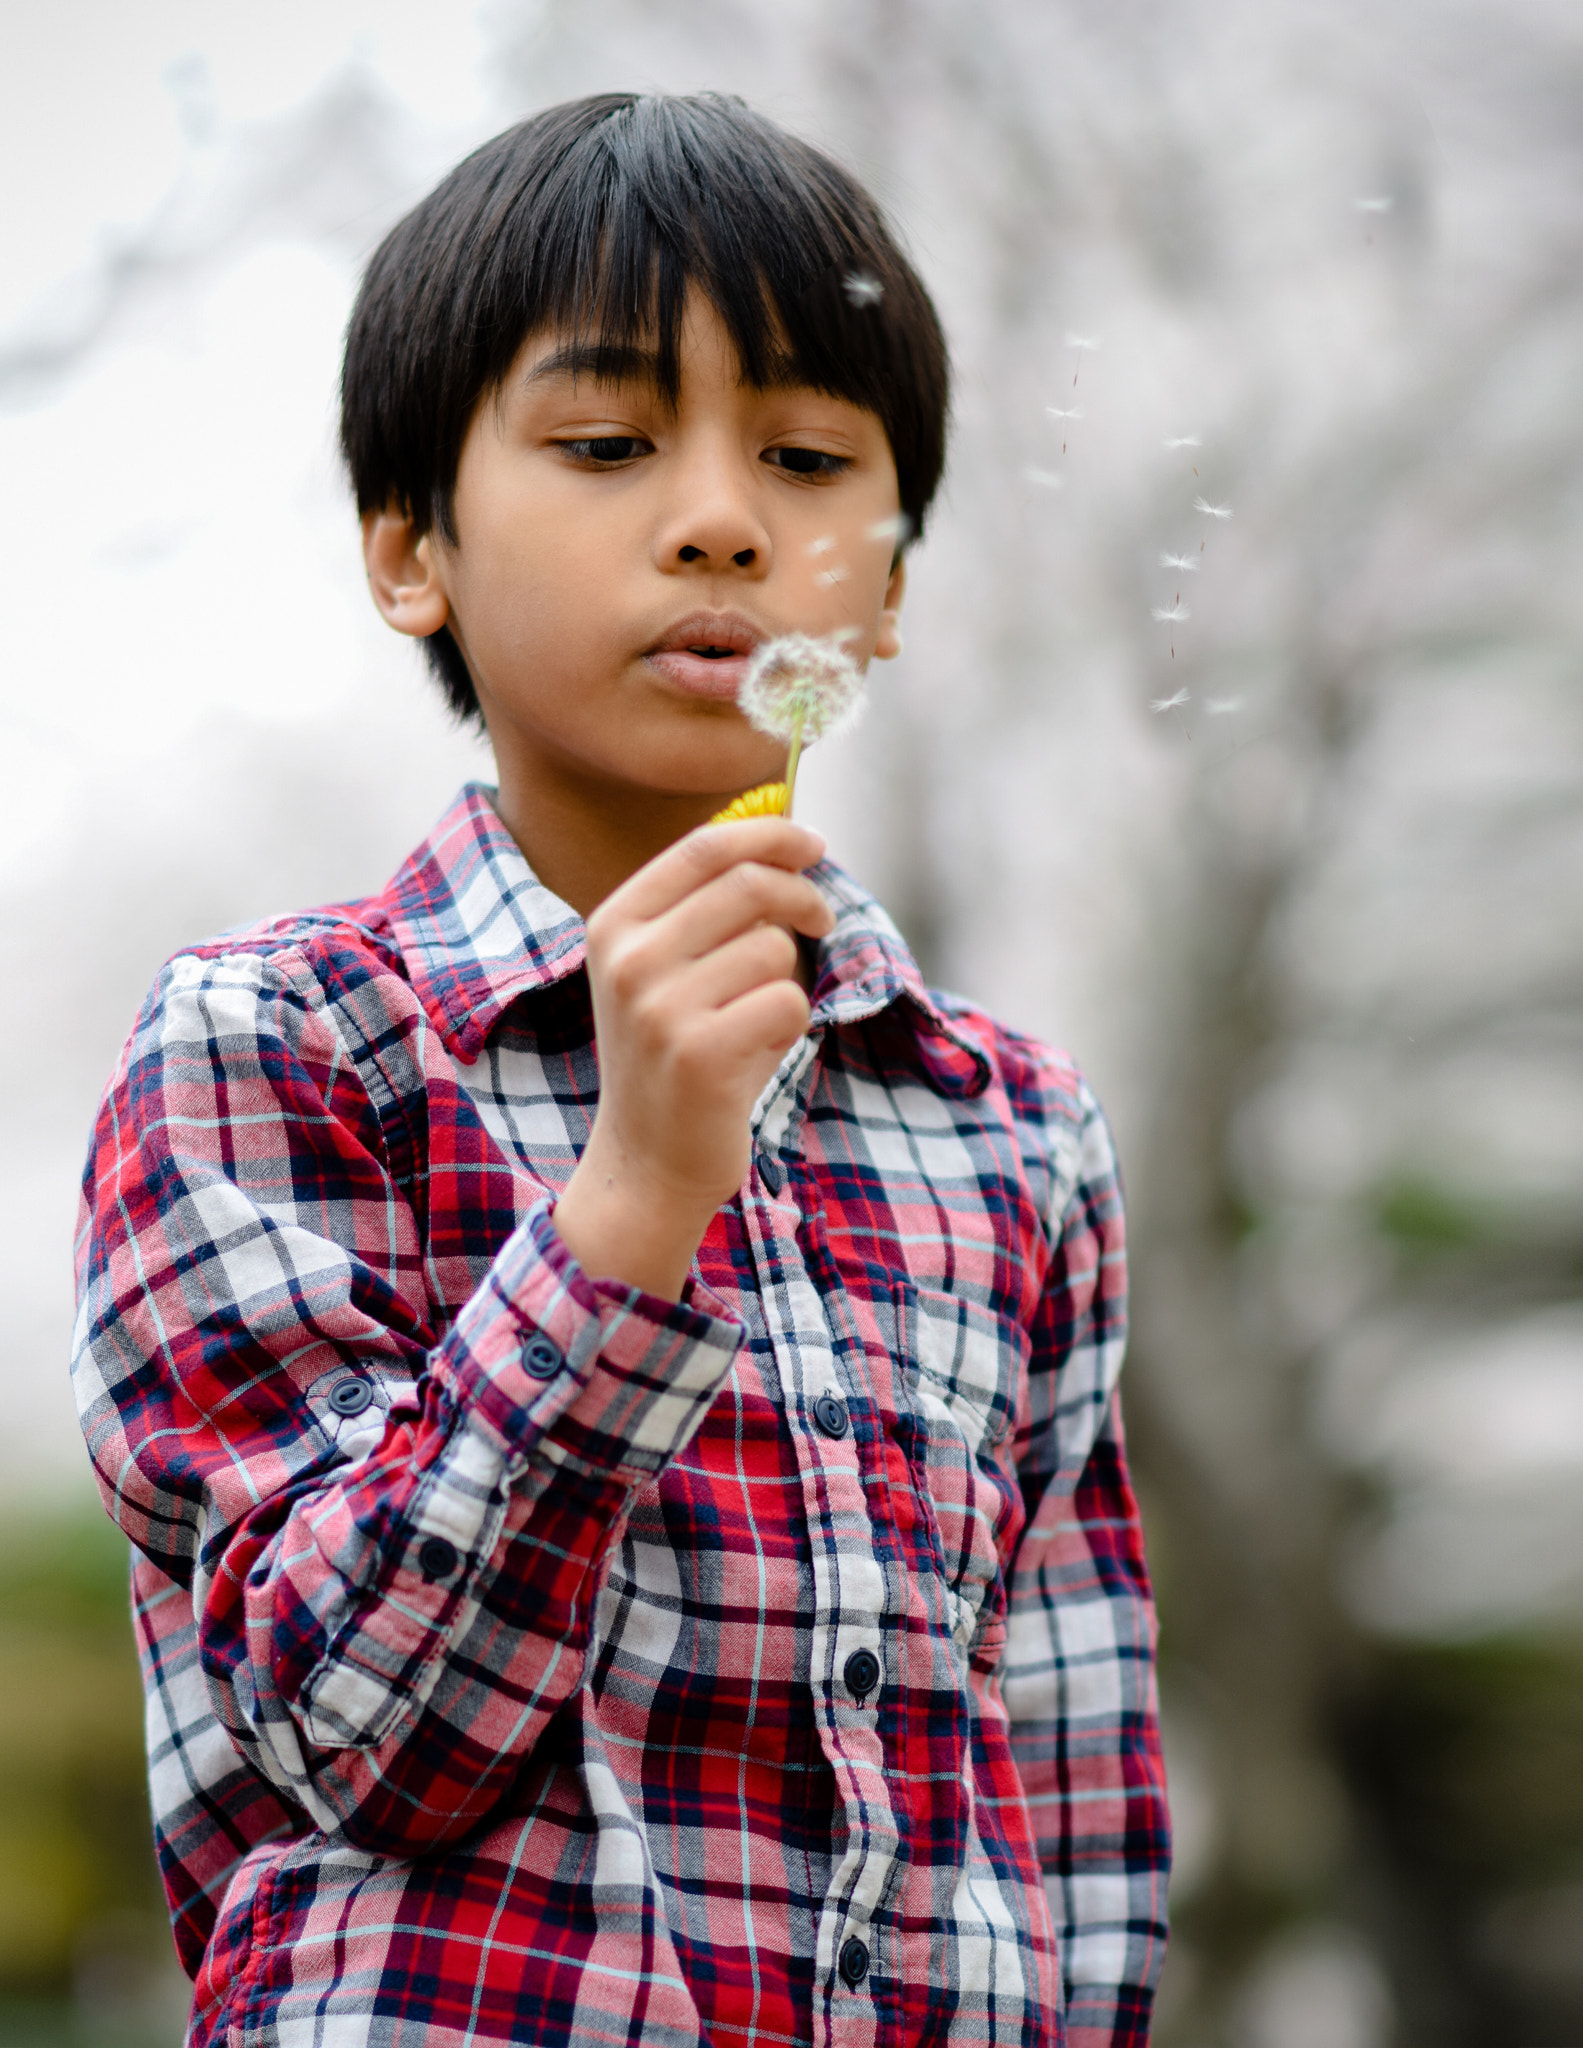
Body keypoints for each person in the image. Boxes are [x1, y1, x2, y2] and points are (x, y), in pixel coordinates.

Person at [72, 92, 1169, 2048]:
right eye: (605, 441)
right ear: (410, 551)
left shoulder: (1015, 1126)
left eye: (814, 457)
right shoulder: (275, 1048)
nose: (725, 514)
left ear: (890, 596)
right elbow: (353, 1731)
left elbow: (1071, 1761)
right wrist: (630, 1210)